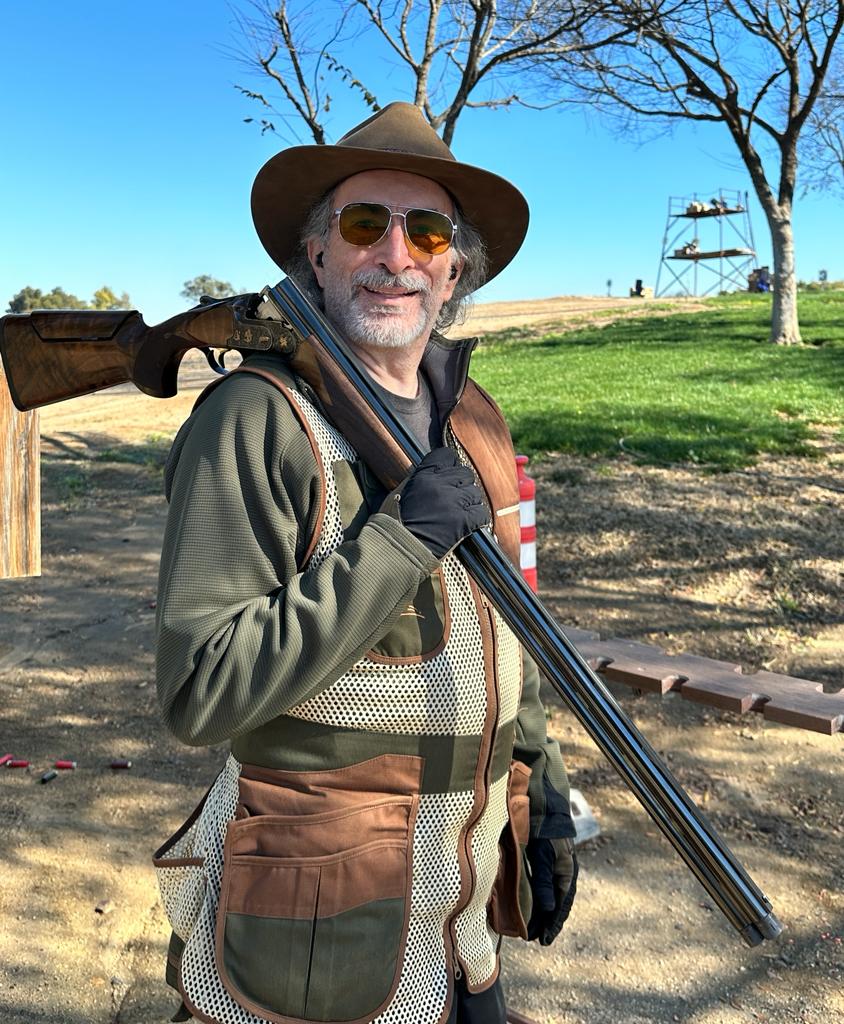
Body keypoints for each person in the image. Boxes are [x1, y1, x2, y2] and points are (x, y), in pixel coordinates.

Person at [153, 101, 577, 1024]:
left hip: (459, 936)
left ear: (455, 269)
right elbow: (200, 690)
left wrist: (540, 783)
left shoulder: (477, 418)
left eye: (427, 233)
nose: (395, 255)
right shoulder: (254, 419)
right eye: (363, 224)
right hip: (309, 950)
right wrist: (398, 543)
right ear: (316, 254)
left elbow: (512, 622)